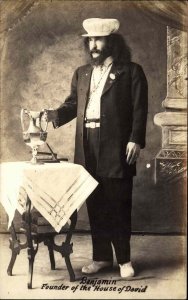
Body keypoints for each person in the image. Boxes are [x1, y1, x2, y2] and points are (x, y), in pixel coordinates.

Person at [46, 18, 148, 278]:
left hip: (117, 146)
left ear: (112, 42)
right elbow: (71, 107)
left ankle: (124, 260)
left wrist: (135, 139)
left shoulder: (131, 72)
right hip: (87, 145)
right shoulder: (82, 73)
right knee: (96, 202)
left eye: (98, 39)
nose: (93, 45)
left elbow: (139, 109)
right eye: (90, 40)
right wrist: (48, 115)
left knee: (118, 202)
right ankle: (102, 257)